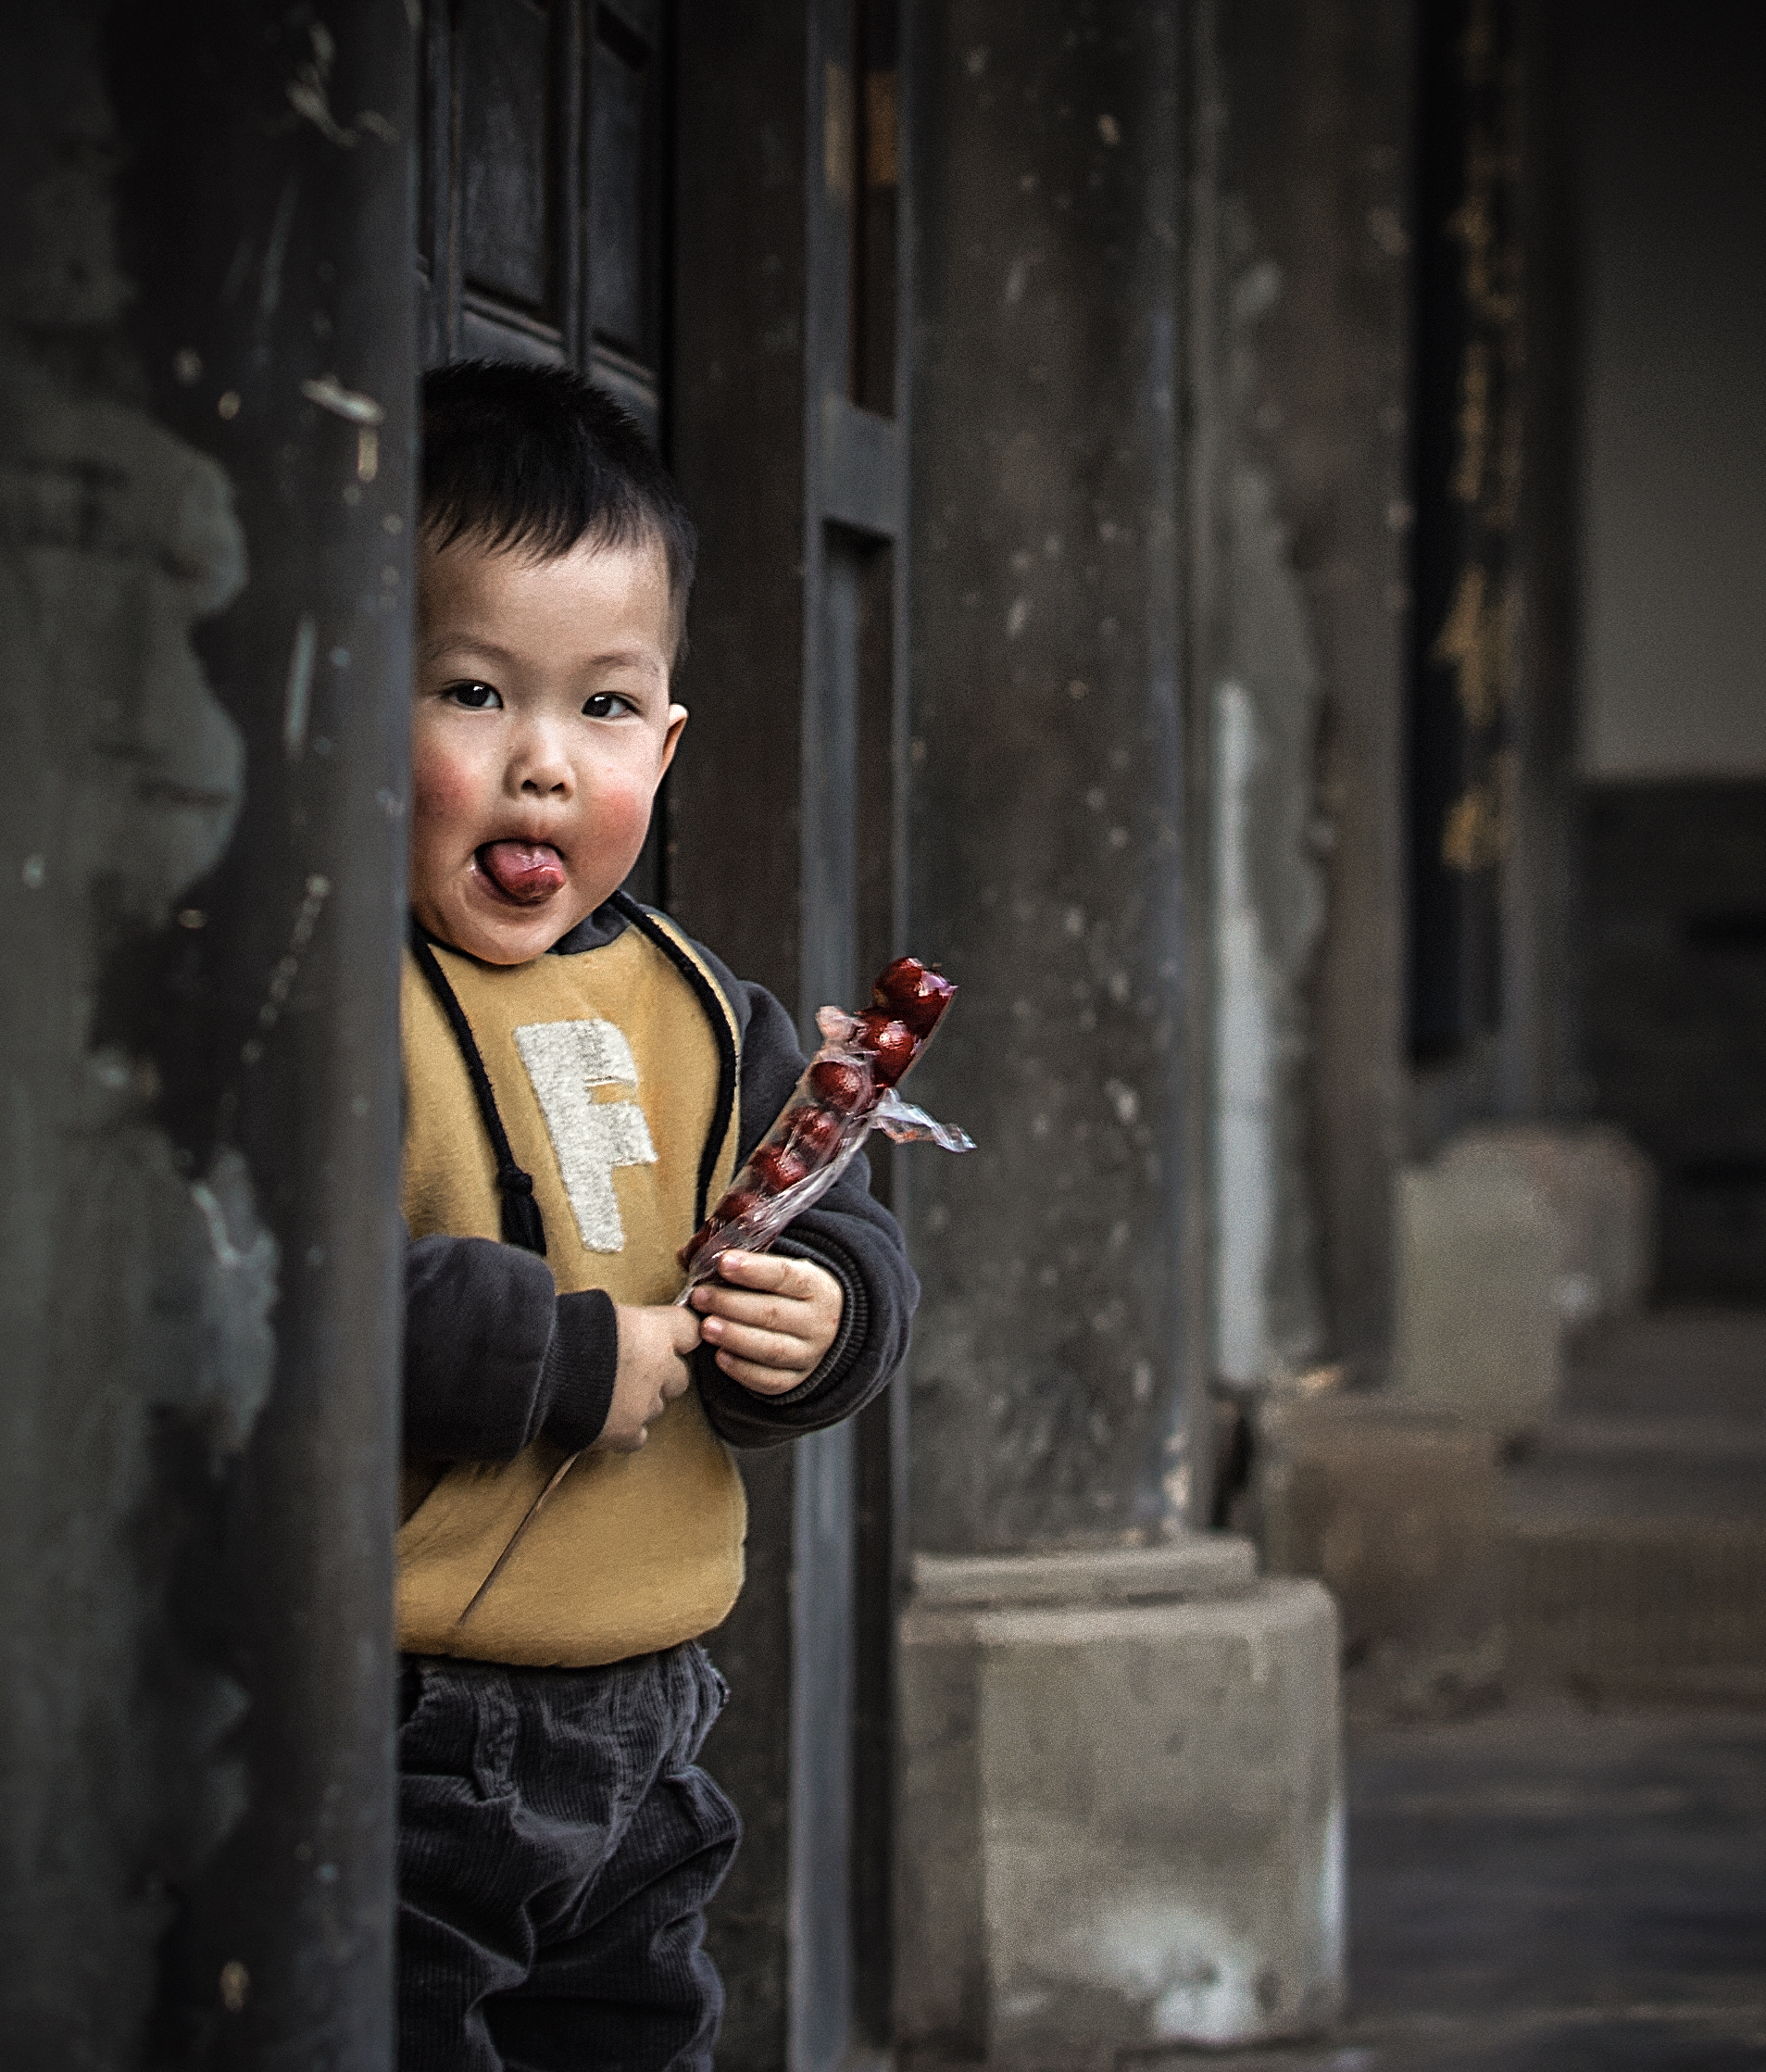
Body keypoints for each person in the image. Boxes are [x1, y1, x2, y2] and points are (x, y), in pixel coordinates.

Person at [395, 358, 917, 2072]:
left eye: (604, 710)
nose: (543, 767)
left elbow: (838, 1218)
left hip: (657, 1709)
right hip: (403, 1720)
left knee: (634, 2039)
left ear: (670, 739)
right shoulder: (338, 998)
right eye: (475, 692)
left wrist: (827, 1319)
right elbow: (271, 1304)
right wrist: (544, 1354)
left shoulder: (705, 1009)